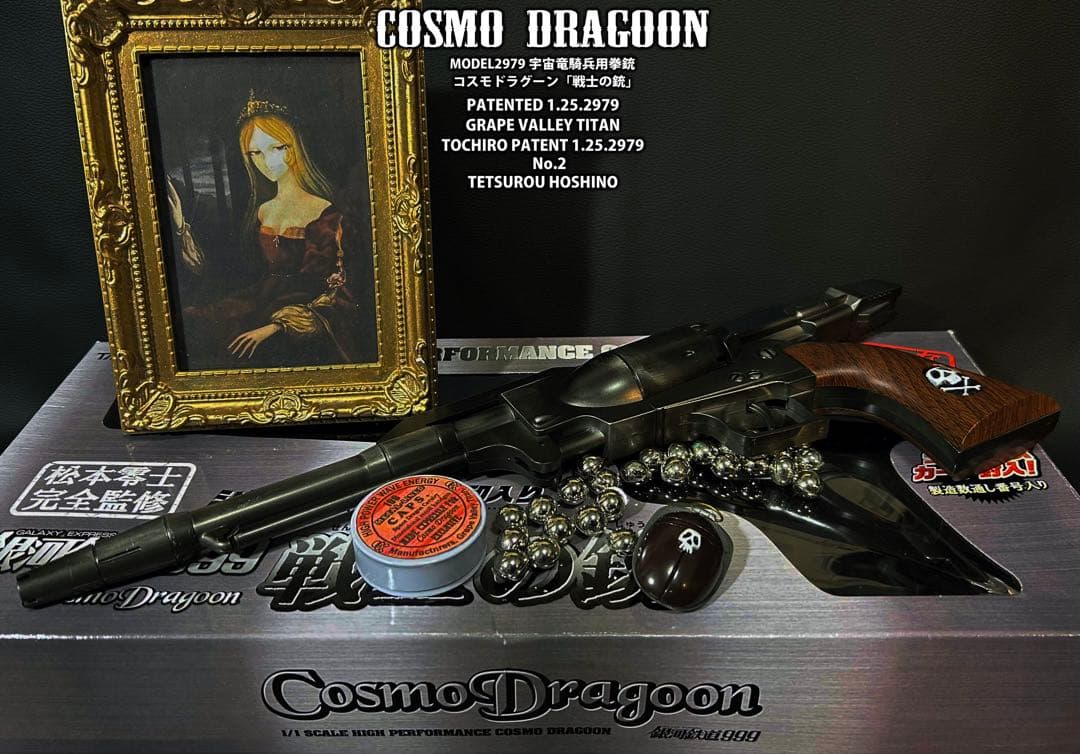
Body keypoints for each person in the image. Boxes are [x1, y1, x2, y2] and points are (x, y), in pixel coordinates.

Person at [166, 91, 363, 369]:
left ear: (293, 147)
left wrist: (276, 326)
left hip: (299, 315)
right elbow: (244, 271)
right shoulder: (262, 210)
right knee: (191, 322)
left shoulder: (326, 213)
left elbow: (338, 291)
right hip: (258, 300)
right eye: (255, 153)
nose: (266, 161)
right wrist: (181, 227)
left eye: (276, 148)